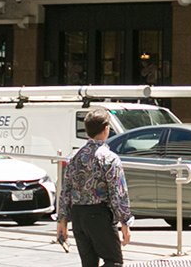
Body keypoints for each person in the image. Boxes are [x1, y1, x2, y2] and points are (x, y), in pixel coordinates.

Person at [55, 107, 132, 267]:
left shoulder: (74, 157)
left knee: (88, 264)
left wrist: (62, 219)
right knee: (114, 262)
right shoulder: (109, 158)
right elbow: (117, 193)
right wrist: (125, 221)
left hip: (78, 216)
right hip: (99, 214)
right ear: (106, 129)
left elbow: (65, 190)